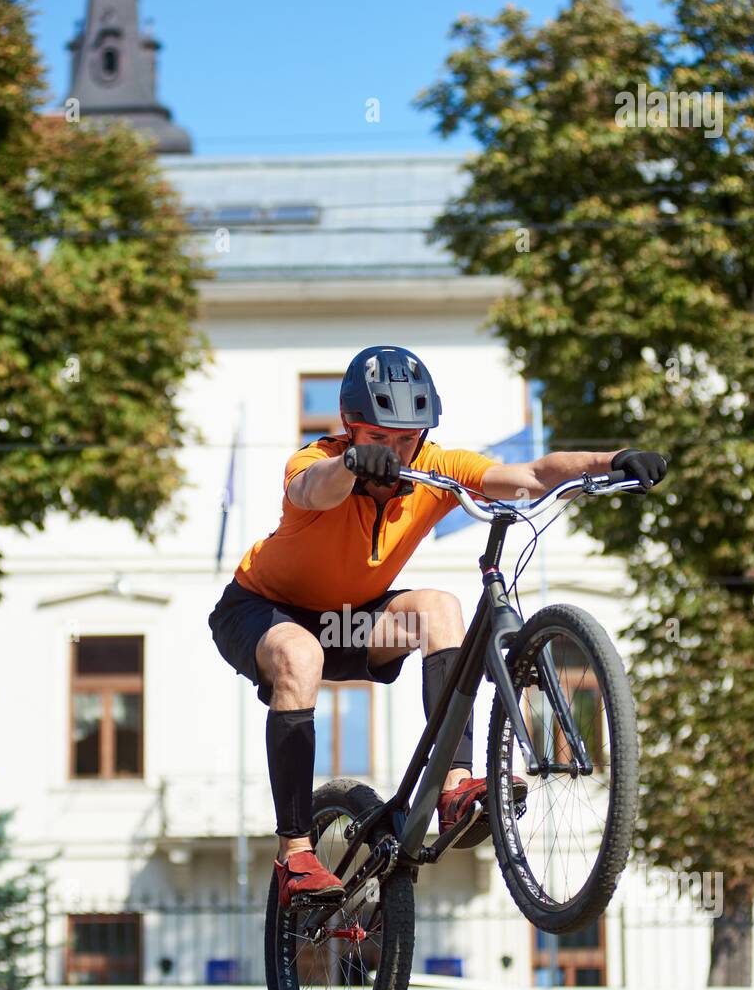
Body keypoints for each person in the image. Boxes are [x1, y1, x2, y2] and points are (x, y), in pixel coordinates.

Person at [209, 345, 667, 909]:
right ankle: (296, 853)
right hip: (262, 609)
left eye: (408, 439)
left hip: (350, 622)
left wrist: (612, 461)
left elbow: (528, 473)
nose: (398, 453)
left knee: (440, 606)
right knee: (299, 656)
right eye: (380, 438)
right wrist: (354, 465)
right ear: (350, 428)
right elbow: (313, 489)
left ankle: (456, 785)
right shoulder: (317, 461)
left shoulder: (434, 469)